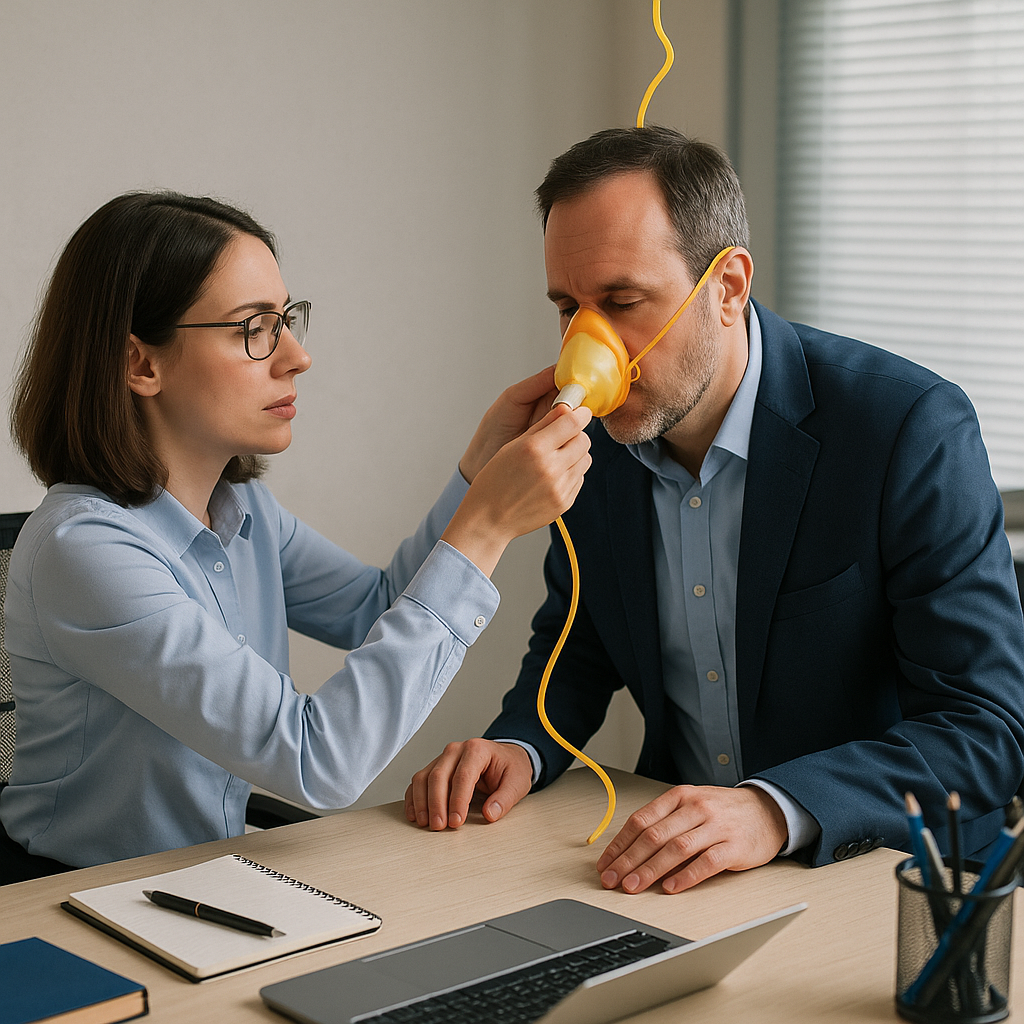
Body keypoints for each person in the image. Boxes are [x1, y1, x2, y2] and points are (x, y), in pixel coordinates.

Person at [406, 126, 1024, 894]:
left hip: (878, 879)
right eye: (568, 307)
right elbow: (581, 640)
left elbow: (981, 731)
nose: (583, 347)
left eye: (622, 302)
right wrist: (523, 744)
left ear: (727, 288)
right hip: (681, 877)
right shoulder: (592, 442)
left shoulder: (907, 429)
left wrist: (772, 809)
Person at [0, 191, 592, 877]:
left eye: (286, 320)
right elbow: (319, 761)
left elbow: (378, 610)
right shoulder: (86, 552)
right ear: (141, 364)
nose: (296, 357)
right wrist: (485, 530)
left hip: (206, 881)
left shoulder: (243, 507)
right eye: (254, 329)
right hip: (71, 905)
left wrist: (474, 476)